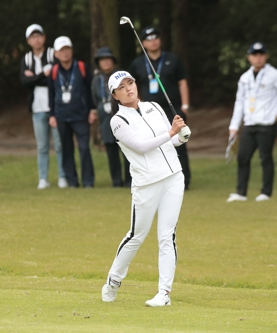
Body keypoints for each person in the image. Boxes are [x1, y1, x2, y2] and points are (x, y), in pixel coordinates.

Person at [101, 71, 190, 307]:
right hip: (146, 184)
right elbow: (141, 147)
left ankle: (164, 293)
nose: (129, 88)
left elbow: (167, 142)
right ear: (115, 95)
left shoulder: (154, 107)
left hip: (173, 177)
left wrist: (180, 136)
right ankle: (114, 280)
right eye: (122, 87)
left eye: (130, 83)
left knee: (167, 236)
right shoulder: (118, 121)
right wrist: (170, 132)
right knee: (136, 236)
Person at [226, 42, 277, 202]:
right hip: (250, 123)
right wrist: (234, 126)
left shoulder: (274, 74)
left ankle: (266, 193)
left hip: (267, 124)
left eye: (261, 55)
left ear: (266, 56)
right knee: (243, 157)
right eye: (255, 55)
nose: (258, 58)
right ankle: (241, 193)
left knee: (265, 158)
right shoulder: (244, 78)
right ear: (249, 57)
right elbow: (239, 102)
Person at [128, 26, 191, 190]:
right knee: (155, 142)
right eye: (148, 38)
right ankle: (160, 179)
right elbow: (132, 86)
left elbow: (182, 82)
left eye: (156, 37)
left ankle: (184, 179)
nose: (153, 41)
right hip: (149, 111)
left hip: (173, 109)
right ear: (143, 43)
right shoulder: (137, 63)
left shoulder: (173, 59)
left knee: (179, 142)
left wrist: (185, 106)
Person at [21, 24, 67, 189]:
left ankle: (63, 176)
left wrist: (34, 77)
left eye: (39, 36)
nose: (36, 39)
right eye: (33, 37)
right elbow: (24, 81)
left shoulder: (51, 54)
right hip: (37, 107)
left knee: (59, 144)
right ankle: (43, 178)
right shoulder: (26, 59)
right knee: (42, 146)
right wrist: (41, 76)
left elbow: (54, 77)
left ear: (44, 37)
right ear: (28, 41)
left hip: (54, 107)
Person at [48, 36, 96, 188]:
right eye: (61, 50)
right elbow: (51, 94)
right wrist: (52, 115)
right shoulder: (54, 71)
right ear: (55, 53)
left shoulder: (81, 67)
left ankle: (88, 181)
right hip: (61, 116)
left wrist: (92, 110)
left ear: (72, 50)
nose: (65, 53)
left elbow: (90, 90)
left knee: (84, 148)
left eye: (67, 49)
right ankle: (72, 181)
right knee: (66, 149)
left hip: (81, 115)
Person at [91, 47, 131, 187]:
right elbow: (95, 99)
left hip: (122, 117)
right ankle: (116, 180)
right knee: (111, 151)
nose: (106, 63)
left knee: (126, 150)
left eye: (108, 59)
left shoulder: (121, 77)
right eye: (103, 60)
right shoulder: (97, 80)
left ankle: (129, 180)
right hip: (105, 120)